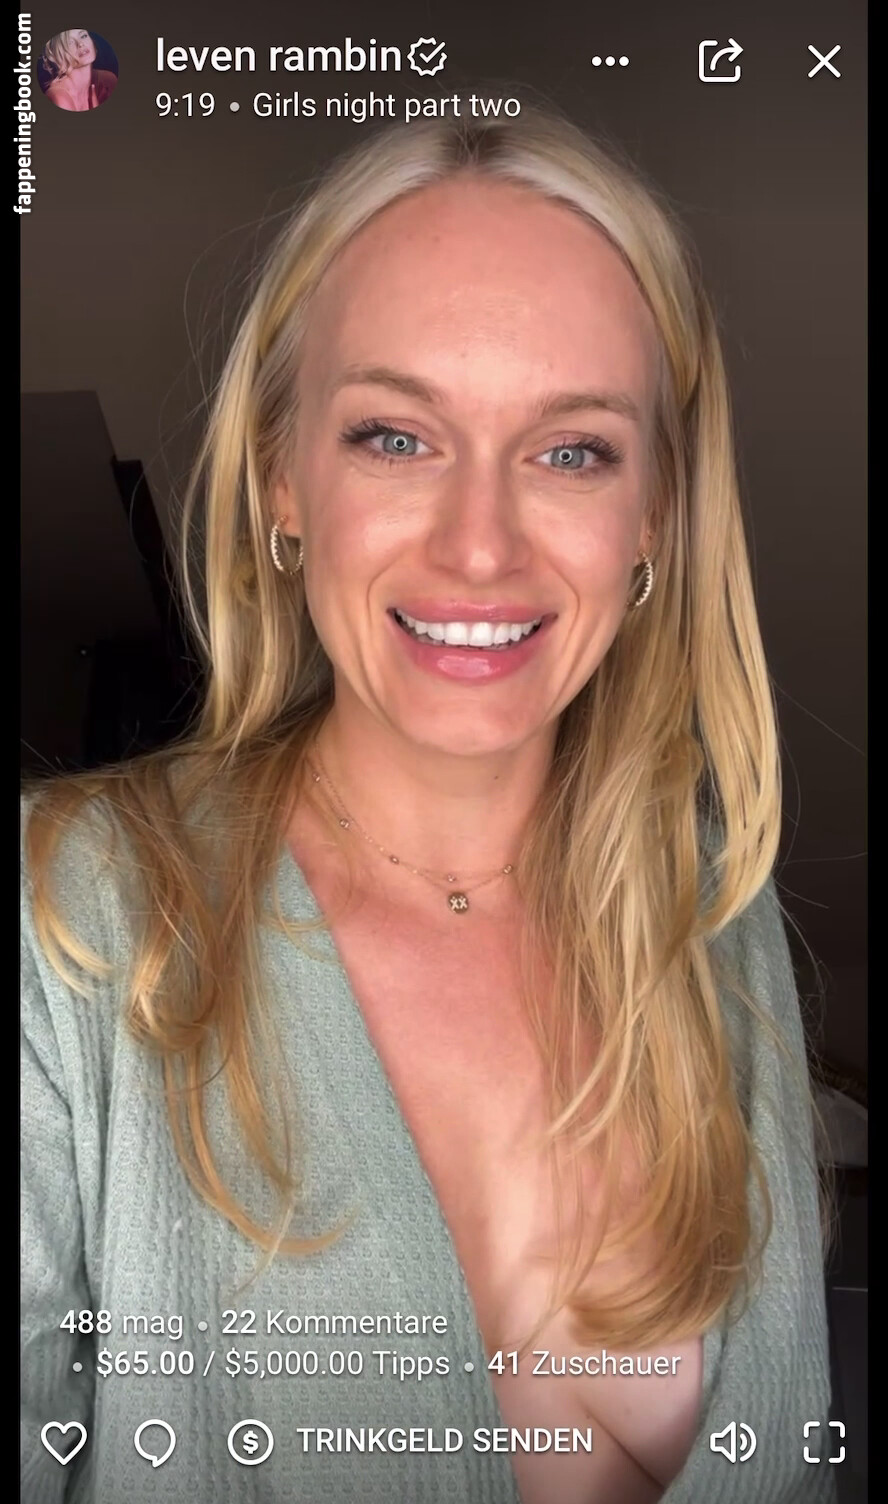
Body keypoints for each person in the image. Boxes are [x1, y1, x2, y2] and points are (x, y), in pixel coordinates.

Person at [21, 105, 836, 1503]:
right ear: (282, 479)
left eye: (573, 450)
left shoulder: (718, 921)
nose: (479, 546)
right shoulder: (66, 925)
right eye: (395, 436)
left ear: (655, 513)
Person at [39, 30, 117, 112]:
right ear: (59, 52)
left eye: (83, 36)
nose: (80, 44)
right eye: (70, 42)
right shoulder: (58, 97)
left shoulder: (109, 79)